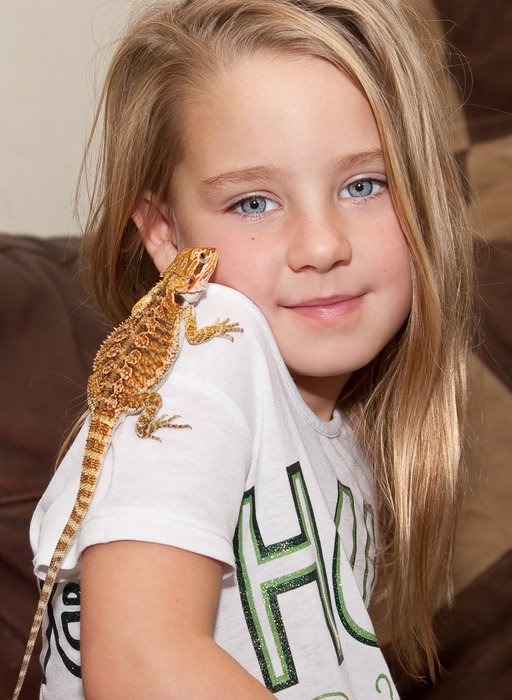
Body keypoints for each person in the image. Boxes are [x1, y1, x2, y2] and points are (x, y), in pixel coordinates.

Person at [30, 0, 474, 697]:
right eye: (253, 203)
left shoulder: (331, 432)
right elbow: (140, 664)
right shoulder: (210, 361)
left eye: (364, 184)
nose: (323, 246)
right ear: (168, 237)